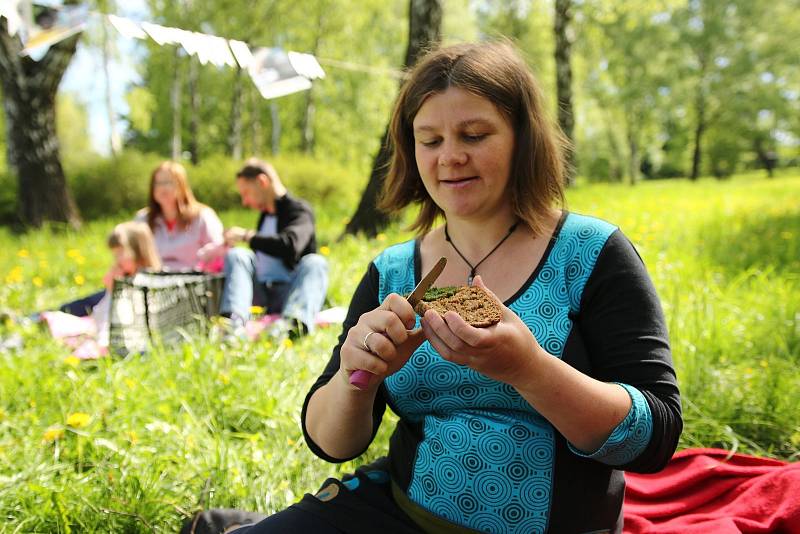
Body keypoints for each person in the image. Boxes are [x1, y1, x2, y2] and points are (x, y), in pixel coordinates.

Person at [189, 42, 682, 533]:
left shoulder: (591, 253)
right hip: (400, 512)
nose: (450, 157)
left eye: (474, 134)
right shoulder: (395, 270)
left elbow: (654, 438)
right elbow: (330, 442)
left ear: (523, 138)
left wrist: (529, 370)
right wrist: (356, 376)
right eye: (430, 140)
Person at [58, 161, 224, 316]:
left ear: (182, 185)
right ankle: (49, 315)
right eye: (158, 183)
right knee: (98, 299)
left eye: (168, 182)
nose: (162, 188)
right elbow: (129, 253)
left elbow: (219, 252)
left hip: (190, 285)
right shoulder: (143, 219)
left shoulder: (202, 216)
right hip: (148, 283)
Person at [219, 158, 329, 337]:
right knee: (238, 254)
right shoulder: (264, 216)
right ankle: (233, 324)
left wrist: (247, 236)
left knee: (316, 262)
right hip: (262, 292)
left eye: (246, 193)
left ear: (262, 182)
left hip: (289, 292)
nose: (245, 202)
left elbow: (290, 245)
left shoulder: (299, 211)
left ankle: (291, 327)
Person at [92, 221, 161, 346]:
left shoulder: (149, 281)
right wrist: (110, 288)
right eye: (115, 255)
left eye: (120, 253)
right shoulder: (122, 275)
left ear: (139, 251)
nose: (117, 260)